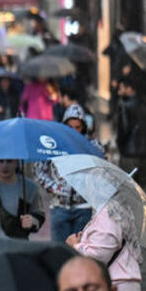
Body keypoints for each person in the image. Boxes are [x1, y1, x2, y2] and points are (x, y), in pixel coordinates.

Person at [66, 205, 142, 291]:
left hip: (118, 283)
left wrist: (75, 246)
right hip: (116, 281)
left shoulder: (107, 213)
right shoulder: (110, 210)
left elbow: (98, 258)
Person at [35, 104, 94, 243]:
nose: (73, 131)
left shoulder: (92, 146)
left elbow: (102, 173)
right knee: (58, 254)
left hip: (84, 208)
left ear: (83, 127)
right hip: (59, 207)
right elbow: (39, 170)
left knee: (80, 255)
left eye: (77, 127)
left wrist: (87, 188)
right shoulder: (54, 145)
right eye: (70, 127)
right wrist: (55, 188)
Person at [116, 76, 146, 193]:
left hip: (128, 155)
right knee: (143, 188)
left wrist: (120, 145)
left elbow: (124, 130)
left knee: (129, 190)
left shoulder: (124, 106)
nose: (119, 92)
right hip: (144, 155)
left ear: (129, 89)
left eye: (121, 88)